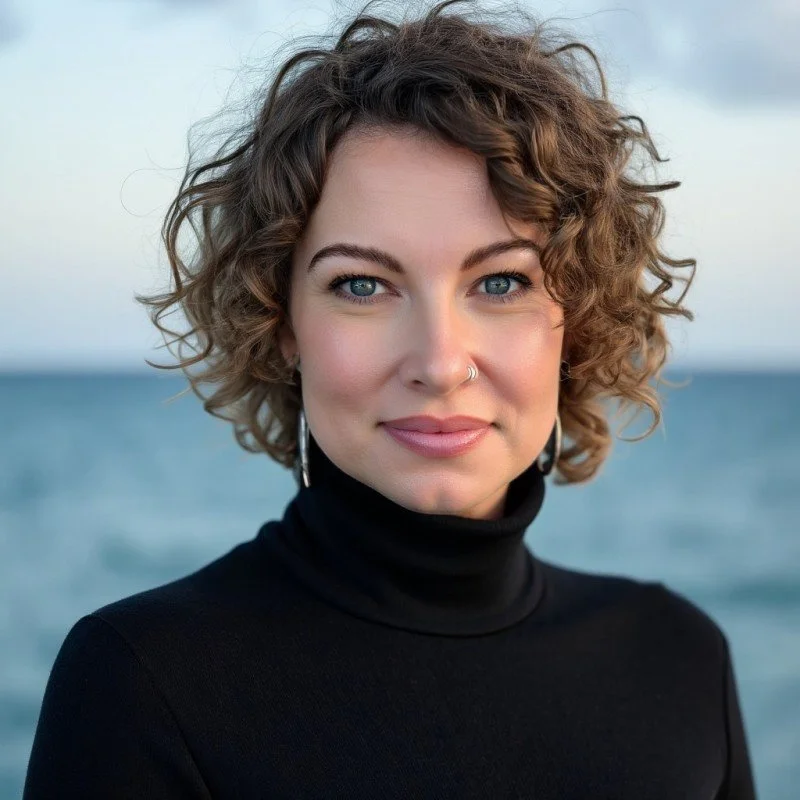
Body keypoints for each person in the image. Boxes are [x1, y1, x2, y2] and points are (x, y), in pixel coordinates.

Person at [23, 0, 758, 797]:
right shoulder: (141, 684)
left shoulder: (680, 661)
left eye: (502, 281)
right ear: (280, 324)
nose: (440, 362)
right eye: (363, 284)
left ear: (576, 320)